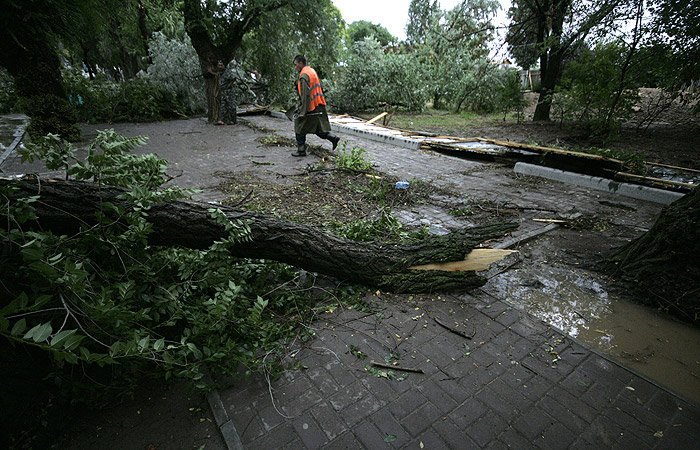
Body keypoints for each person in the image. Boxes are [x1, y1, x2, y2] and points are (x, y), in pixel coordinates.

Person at [290, 55, 340, 157]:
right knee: (317, 128)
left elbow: (306, 96)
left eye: (296, 65)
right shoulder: (311, 71)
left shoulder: (304, 75)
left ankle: (301, 150)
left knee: (299, 126)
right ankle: (333, 138)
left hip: (310, 106)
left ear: (300, 63)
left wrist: (302, 112)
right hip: (318, 104)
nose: (295, 68)